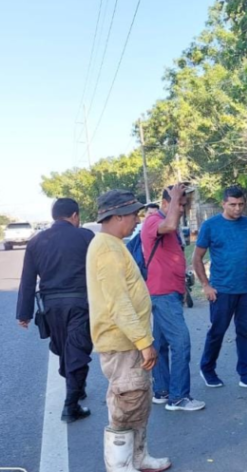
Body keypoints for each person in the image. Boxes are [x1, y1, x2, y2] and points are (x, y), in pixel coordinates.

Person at [86, 190, 170, 472]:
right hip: (122, 342)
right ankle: (120, 466)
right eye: (134, 214)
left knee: (138, 401)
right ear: (117, 216)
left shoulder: (114, 244)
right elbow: (118, 302)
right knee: (126, 403)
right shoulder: (106, 248)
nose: (138, 219)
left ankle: (138, 458)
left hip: (129, 341)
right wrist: (144, 341)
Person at [16, 198, 95, 423]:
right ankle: (71, 407)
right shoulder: (86, 237)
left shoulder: (36, 242)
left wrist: (24, 313)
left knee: (64, 349)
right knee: (77, 351)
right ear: (75, 216)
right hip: (80, 303)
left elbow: (28, 279)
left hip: (51, 306)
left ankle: (76, 391)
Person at [193, 185, 247, 390]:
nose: (237, 209)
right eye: (233, 205)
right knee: (218, 331)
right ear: (223, 203)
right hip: (221, 290)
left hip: (246, 289)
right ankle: (208, 368)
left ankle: (246, 374)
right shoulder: (210, 226)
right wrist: (206, 285)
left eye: (241, 204)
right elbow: (197, 257)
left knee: (245, 332)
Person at [142, 183, 205, 412]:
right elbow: (168, 224)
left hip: (169, 292)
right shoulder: (154, 221)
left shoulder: (169, 223)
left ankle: (162, 390)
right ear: (166, 204)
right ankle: (178, 397)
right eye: (179, 204)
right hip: (163, 293)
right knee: (181, 342)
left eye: (184, 205)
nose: (182, 209)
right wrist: (176, 198)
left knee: (160, 343)